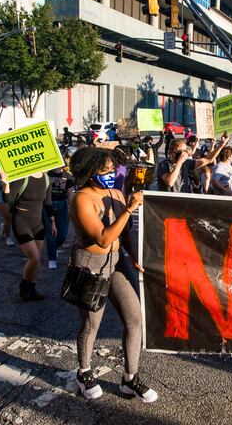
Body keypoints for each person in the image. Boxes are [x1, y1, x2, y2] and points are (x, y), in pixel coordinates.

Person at [68, 147, 158, 403]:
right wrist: (129, 208)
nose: (110, 173)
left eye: (111, 169)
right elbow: (105, 237)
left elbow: (124, 232)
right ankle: (84, 372)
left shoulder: (116, 192)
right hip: (90, 266)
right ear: (88, 172)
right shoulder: (82, 199)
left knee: (134, 318)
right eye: (104, 170)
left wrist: (134, 256)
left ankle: (130, 378)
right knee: (91, 324)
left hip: (116, 264)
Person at [7, 172, 56, 302]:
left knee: (37, 260)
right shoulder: (23, 177)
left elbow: (48, 203)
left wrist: (53, 222)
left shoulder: (46, 178)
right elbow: (8, 199)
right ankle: (24, 284)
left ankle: (32, 288)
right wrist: (6, 184)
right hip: (21, 222)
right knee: (34, 258)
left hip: (38, 224)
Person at [156, 133, 228, 193]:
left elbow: (208, 159)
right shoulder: (163, 165)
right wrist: (179, 162)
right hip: (167, 204)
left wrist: (221, 145)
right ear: (171, 153)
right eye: (179, 152)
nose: (182, 154)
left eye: (184, 151)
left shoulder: (186, 163)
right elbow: (170, 182)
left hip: (182, 202)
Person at [43, 166, 74, 270]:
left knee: (62, 235)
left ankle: (54, 248)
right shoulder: (47, 174)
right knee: (50, 234)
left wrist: (71, 207)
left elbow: (70, 192)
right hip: (48, 205)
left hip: (62, 206)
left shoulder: (67, 175)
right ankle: (52, 259)